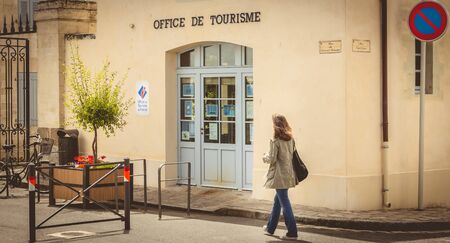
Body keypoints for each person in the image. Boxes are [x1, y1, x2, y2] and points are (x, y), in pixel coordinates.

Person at [262, 114, 298, 240]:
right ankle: (270, 228)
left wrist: (265, 156)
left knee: (284, 203)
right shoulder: (291, 139)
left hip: (279, 176)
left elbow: (272, 158)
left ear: (275, 126)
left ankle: (292, 232)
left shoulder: (275, 141)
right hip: (288, 175)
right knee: (277, 202)